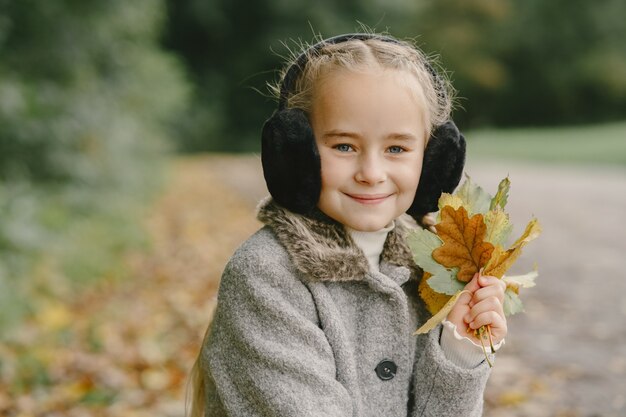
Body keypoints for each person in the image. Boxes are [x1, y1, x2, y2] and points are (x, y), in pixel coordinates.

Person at [189, 33, 507, 417]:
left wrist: (459, 348)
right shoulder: (266, 275)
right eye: (344, 146)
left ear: (434, 161)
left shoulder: (432, 270)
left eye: (396, 149)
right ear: (296, 153)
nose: (371, 173)